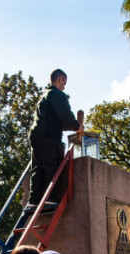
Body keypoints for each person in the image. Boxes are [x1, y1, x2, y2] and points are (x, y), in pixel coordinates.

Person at [28, 69, 84, 208]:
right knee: (53, 166)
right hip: (49, 135)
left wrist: (70, 126)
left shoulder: (44, 97)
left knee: (38, 168)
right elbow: (65, 115)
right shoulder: (56, 94)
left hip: (36, 135)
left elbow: (56, 119)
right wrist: (77, 126)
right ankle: (50, 199)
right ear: (59, 79)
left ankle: (33, 201)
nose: (64, 86)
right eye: (64, 83)